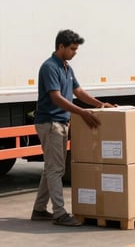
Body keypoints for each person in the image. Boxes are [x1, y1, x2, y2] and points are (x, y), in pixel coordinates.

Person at [31, 29, 115, 227]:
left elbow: (78, 91)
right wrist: (82, 113)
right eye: (72, 49)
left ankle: (39, 209)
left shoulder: (67, 67)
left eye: (76, 49)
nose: (74, 53)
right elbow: (56, 97)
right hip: (50, 123)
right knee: (56, 169)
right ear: (61, 47)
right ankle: (60, 213)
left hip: (60, 123)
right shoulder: (49, 67)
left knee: (51, 168)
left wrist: (99, 105)